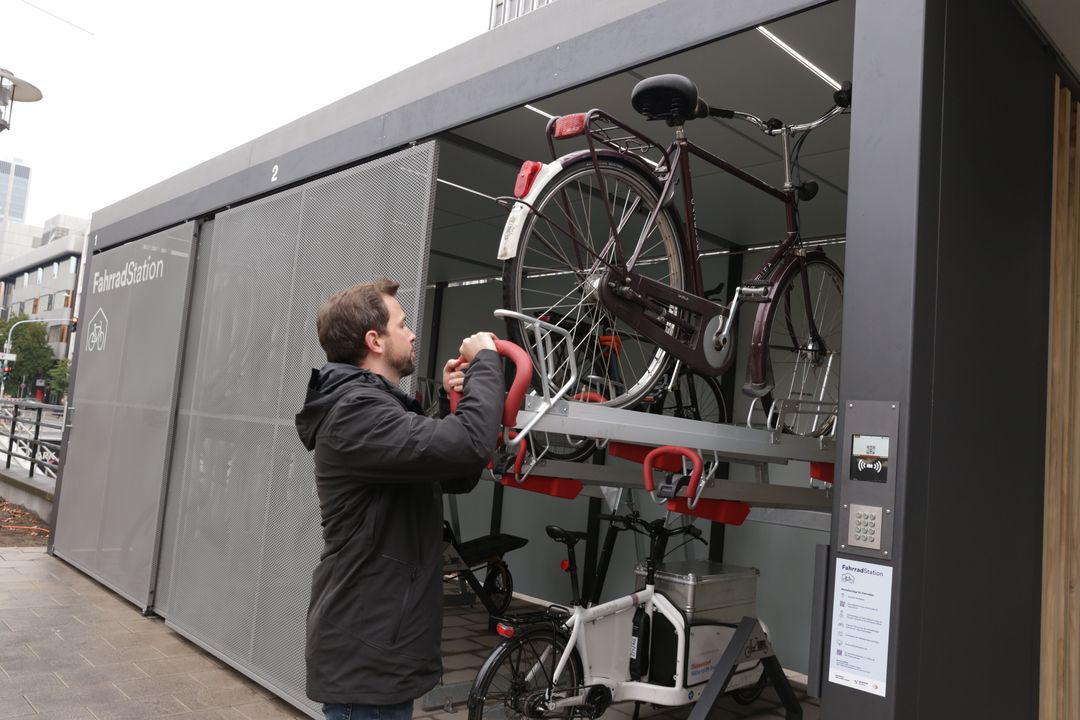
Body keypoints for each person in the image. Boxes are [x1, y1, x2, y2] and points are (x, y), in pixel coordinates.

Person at [295, 278, 504, 720]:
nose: (412, 334)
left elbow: (458, 472)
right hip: (366, 655)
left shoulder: (375, 409)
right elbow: (469, 445)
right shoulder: (356, 413)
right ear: (374, 341)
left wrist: (458, 401)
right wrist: (487, 362)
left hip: (382, 648)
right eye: (402, 324)